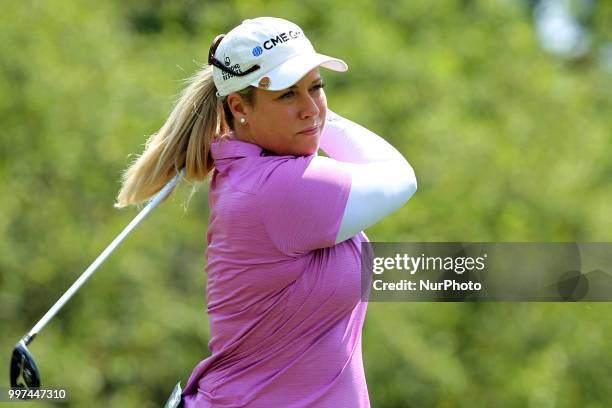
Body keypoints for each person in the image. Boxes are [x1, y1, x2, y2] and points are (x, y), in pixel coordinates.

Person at [115, 16, 417, 408]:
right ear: (240, 106)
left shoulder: (251, 173)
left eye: (317, 87)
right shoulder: (277, 187)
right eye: (287, 94)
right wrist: (318, 121)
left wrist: (308, 114)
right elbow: (399, 177)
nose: (310, 108)